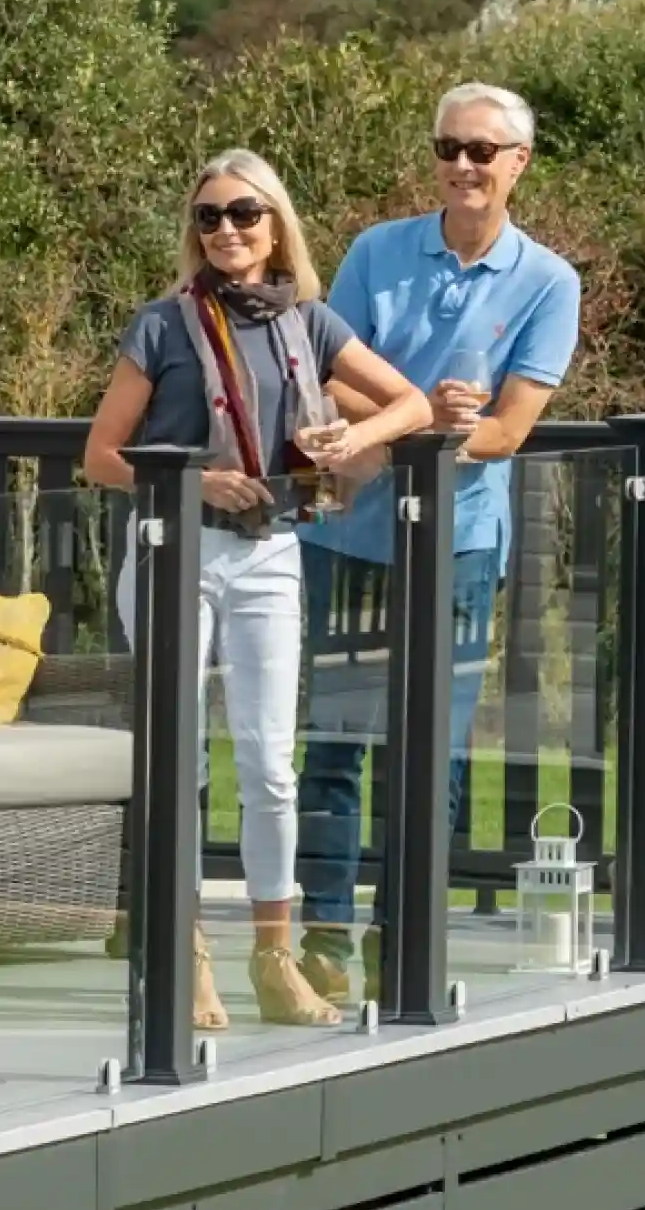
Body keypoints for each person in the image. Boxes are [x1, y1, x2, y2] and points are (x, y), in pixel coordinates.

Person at [84, 151, 431, 1029]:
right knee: (180, 761)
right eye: (209, 217)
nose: (226, 230)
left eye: (244, 213)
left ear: (276, 227)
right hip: (175, 552)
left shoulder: (307, 323)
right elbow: (100, 457)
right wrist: (195, 482)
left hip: (271, 551)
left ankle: (274, 957)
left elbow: (413, 406)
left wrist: (350, 442)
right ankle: (185, 951)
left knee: (271, 767)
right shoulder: (163, 324)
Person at [293, 82, 584, 1006]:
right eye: (448, 148)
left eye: (482, 152)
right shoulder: (377, 252)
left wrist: (440, 424)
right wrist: (420, 418)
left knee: (434, 752)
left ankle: (406, 940)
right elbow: (328, 377)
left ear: (518, 164)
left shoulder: (549, 282)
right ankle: (323, 942)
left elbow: (507, 432)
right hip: (350, 536)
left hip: (458, 545)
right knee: (333, 744)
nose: (463, 165)